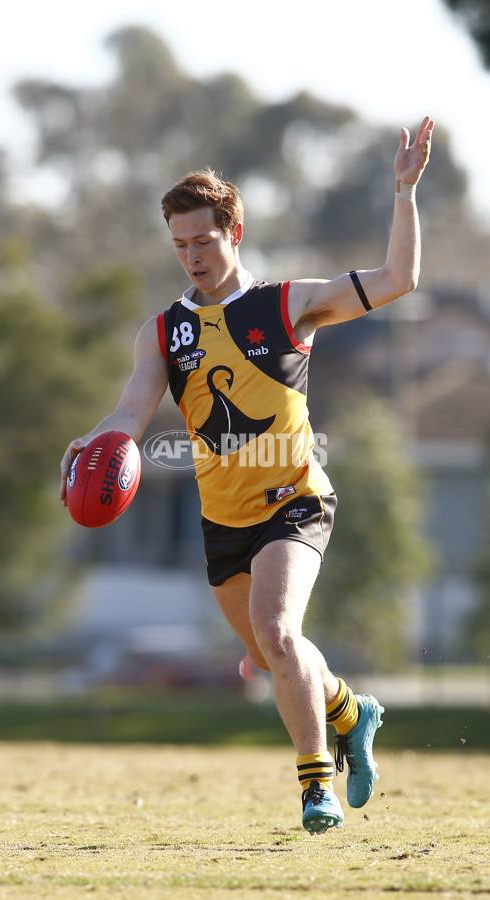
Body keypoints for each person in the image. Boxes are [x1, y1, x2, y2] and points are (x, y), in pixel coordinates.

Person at [60, 116, 434, 834]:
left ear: (234, 230)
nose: (192, 256)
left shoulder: (287, 305)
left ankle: (315, 787)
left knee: (277, 628)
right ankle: (353, 714)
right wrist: (98, 438)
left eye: (203, 240)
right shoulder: (164, 331)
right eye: (179, 245)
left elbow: (398, 280)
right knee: (271, 654)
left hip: (295, 501)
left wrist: (403, 192)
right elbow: (132, 409)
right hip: (222, 518)